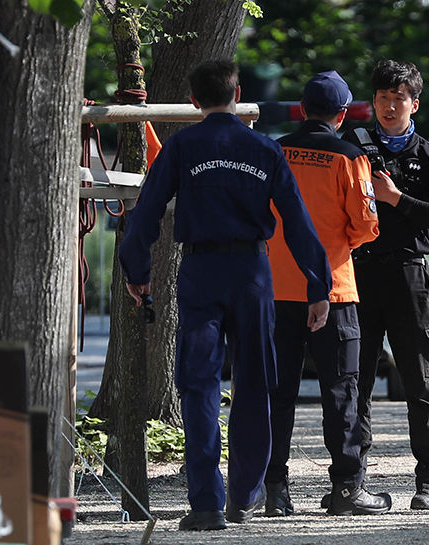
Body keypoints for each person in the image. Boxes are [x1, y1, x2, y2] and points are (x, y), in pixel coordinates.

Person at [118, 59, 332, 531]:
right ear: (237, 94)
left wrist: (138, 270)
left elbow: (147, 211)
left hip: (200, 270)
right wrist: (319, 284)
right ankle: (245, 495)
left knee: (199, 384)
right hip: (253, 272)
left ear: (194, 100)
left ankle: (206, 504)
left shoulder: (180, 147)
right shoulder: (263, 149)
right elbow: (297, 222)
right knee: (255, 382)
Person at [265, 71, 392, 516]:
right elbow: (365, 224)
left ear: (301, 109)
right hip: (334, 290)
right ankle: (346, 488)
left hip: (277, 289)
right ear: (342, 115)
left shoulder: (274, 151)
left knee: (276, 393)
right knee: (341, 392)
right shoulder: (350, 156)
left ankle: (275, 491)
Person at [343, 59, 429, 510]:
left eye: (399, 99)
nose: (390, 107)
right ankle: (353, 478)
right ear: (373, 101)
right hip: (358, 273)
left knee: (420, 378)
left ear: (415, 103)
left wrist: (397, 199)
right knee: (356, 379)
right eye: (383, 98)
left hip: (409, 274)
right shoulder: (351, 146)